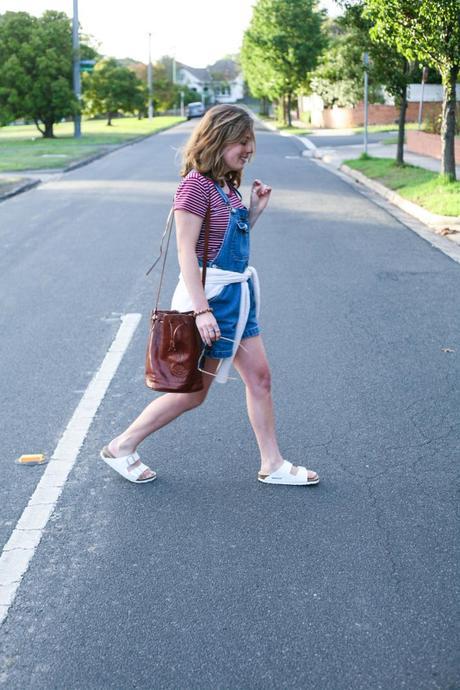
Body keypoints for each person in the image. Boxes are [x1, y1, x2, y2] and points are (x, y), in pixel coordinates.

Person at [100, 104, 319, 487]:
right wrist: (202, 312)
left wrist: (254, 211)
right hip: (213, 302)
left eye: (250, 141)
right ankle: (123, 444)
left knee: (260, 378)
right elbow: (187, 252)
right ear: (218, 138)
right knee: (192, 392)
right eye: (242, 140)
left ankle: (273, 463)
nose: (249, 149)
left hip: (237, 298)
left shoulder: (226, 186)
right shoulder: (194, 187)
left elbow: (226, 242)